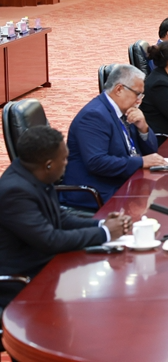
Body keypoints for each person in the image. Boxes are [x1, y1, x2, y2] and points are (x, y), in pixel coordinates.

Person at [0, 126, 130, 309]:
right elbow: (50, 240)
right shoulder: (15, 192)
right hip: (24, 282)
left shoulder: (35, 174)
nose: (67, 163)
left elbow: (60, 219)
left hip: (49, 267)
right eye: (64, 159)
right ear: (48, 165)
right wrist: (105, 233)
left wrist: (102, 224)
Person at [62, 65, 165, 210]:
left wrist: (143, 127)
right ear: (119, 89)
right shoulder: (94, 116)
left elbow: (152, 151)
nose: (139, 101)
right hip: (98, 191)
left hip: (124, 181)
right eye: (137, 94)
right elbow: (97, 162)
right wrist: (140, 162)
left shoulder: (125, 112)